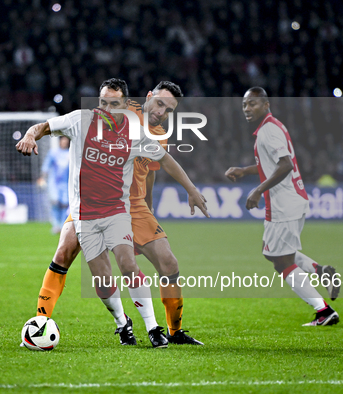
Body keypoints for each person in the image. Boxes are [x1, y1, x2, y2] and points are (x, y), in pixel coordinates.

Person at [17, 79, 209, 347]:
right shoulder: (104, 114)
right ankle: (41, 321)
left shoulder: (153, 133)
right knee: (66, 254)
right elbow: (57, 126)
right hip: (89, 204)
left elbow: (153, 171)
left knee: (167, 264)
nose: (161, 112)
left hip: (129, 205)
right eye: (160, 104)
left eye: (169, 110)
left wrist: (154, 207)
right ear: (148, 96)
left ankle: (169, 331)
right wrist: (29, 135)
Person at [225, 87, 340, 327]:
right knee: (272, 253)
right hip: (287, 201)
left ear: (266, 104)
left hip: (284, 203)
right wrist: (244, 170)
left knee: (281, 262)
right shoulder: (272, 127)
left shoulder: (269, 131)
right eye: (244, 105)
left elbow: (285, 165)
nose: (247, 109)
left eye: (253, 104)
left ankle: (323, 310)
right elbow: (271, 164)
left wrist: (257, 190)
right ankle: (321, 271)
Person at [38, 136, 70, 233]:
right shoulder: (53, 152)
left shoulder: (71, 153)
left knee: (65, 204)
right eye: (63, 140)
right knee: (55, 203)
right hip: (54, 183)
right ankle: (56, 225)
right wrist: (42, 177)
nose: (64, 142)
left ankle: (63, 225)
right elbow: (46, 165)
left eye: (66, 140)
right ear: (60, 141)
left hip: (66, 183)